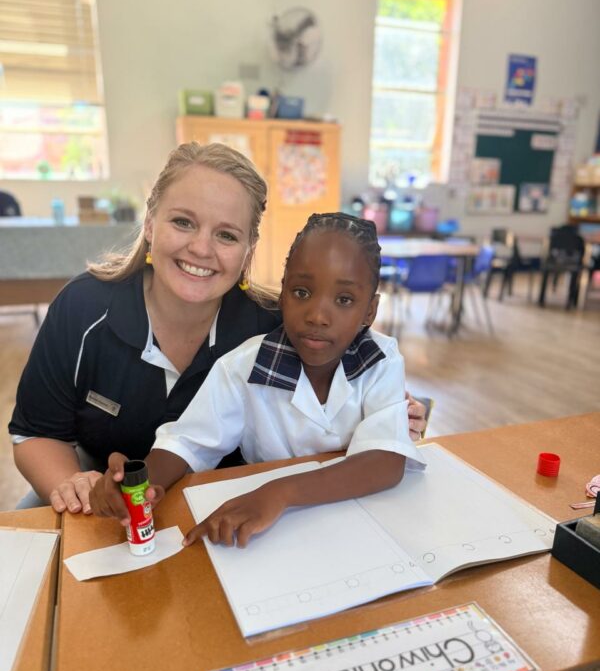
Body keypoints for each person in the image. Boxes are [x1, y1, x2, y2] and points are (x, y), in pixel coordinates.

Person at [8, 144, 427, 514]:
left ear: (248, 252)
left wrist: (392, 416)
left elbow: (343, 388)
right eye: (184, 222)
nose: (201, 249)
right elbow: (38, 433)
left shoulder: (277, 328)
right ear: (151, 223)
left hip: (224, 503)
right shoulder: (84, 308)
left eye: (226, 234)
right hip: (98, 491)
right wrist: (74, 487)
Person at [89, 213, 426, 547]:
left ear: (370, 311)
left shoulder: (382, 359)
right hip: (276, 539)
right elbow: (188, 442)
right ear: (282, 293)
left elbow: (385, 462)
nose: (318, 316)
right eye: (302, 292)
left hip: (363, 530)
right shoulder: (241, 368)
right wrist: (140, 482)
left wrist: (280, 492)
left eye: (344, 300)